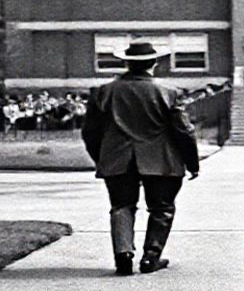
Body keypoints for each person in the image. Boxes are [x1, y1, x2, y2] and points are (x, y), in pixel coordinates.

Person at [82, 40, 200, 276]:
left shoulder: (104, 92)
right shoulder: (168, 92)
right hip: (160, 159)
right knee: (162, 208)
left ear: (127, 62)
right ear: (154, 63)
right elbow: (183, 131)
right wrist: (192, 163)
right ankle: (150, 257)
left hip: (117, 157)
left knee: (121, 206)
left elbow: (90, 132)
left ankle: (123, 254)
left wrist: (101, 157)